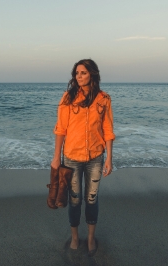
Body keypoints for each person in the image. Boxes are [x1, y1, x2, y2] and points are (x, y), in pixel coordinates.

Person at [51, 59, 115, 256]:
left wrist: (109, 158)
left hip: (96, 157)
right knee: (75, 200)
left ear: (92, 75)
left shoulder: (104, 99)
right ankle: (75, 237)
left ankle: (90, 237)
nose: (79, 76)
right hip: (71, 157)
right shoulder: (67, 98)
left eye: (83, 73)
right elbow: (61, 129)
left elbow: (108, 129)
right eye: (77, 73)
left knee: (92, 199)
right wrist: (56, 158)